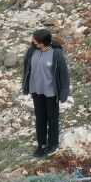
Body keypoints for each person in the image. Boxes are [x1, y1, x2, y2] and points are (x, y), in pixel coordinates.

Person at [21, 29, 70, 158]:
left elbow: (64, 75)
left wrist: (64, 93)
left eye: (35, 40)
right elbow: (26, 68)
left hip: (51, 93)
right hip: (36, 92)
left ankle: (53, 145)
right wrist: (25, 86)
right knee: (40, 119)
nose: (32, 41)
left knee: (52, 120)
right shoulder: (32, 51)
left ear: (42, 43)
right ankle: (41, 145)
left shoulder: (56, 54)